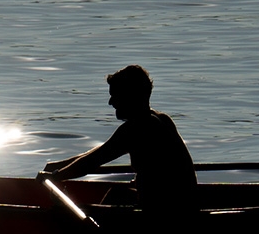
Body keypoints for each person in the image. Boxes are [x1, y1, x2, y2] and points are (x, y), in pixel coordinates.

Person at [40, 65, 198, 211]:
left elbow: (93, 161)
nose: (110, 102)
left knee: (73, 210)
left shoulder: (138, 128)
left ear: (130, 96)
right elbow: (102, 151)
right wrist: (60, 166)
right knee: (116, 195)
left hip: (166, 215)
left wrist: (57, 176)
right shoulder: (161, 119)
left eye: (115, 96)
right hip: (179, 206)